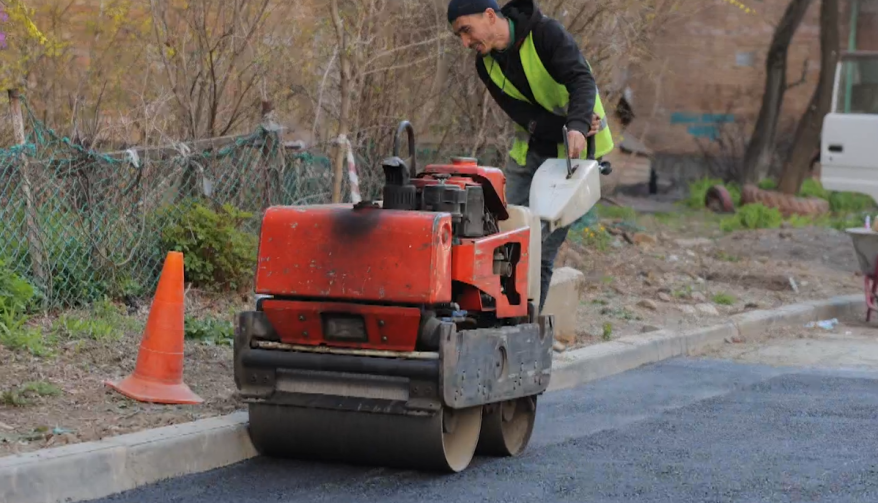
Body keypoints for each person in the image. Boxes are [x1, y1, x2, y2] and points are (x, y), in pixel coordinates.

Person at [447, 0, 615, 313]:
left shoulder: (546, 34)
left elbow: (580, 78)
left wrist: (577, 125)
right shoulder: (486, 64)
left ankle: (527, 323)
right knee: (500, 238)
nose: (465, 42)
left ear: (489, 16)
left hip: (574, 158)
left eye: (466, 31)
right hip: (531, 152)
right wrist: (562, 126)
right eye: (460, 36)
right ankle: (495, 316)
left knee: (541, 249)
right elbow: (523, 114)